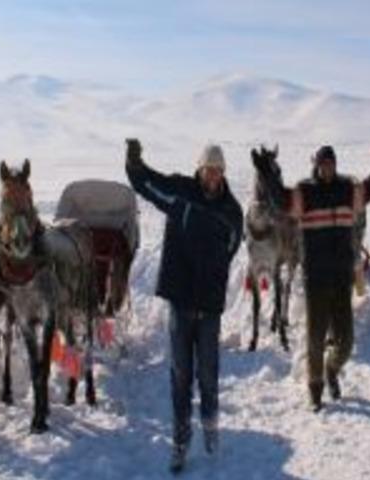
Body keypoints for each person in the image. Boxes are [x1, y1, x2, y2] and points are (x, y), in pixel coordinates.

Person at [124, 139, 243, 474]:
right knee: (180, 376)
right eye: (208, 169)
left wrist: (213, 273)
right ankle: (179, 442)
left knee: (207, 374)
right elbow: (149, 185)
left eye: (218, 170)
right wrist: (134, 164)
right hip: (180, 301)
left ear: (223, 173)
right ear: (200, 169)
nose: (213, 175)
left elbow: (233, 245)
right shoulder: (181, 192)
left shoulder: (231, 211)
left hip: (209, 307)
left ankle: (210, 425)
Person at [255, 144, 370, 412]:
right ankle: (315, 388)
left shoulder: (346, 189)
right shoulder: (306, 192)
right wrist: (267, 174)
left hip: (341, 275)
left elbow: (366, 191)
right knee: (315, 336)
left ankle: (332, 368)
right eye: (323, 164)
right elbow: (281, 201)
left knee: (345, 342)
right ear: (317, 166)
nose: (327, 168)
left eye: (331, 163)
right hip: (316, 276)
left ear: (335, 164)